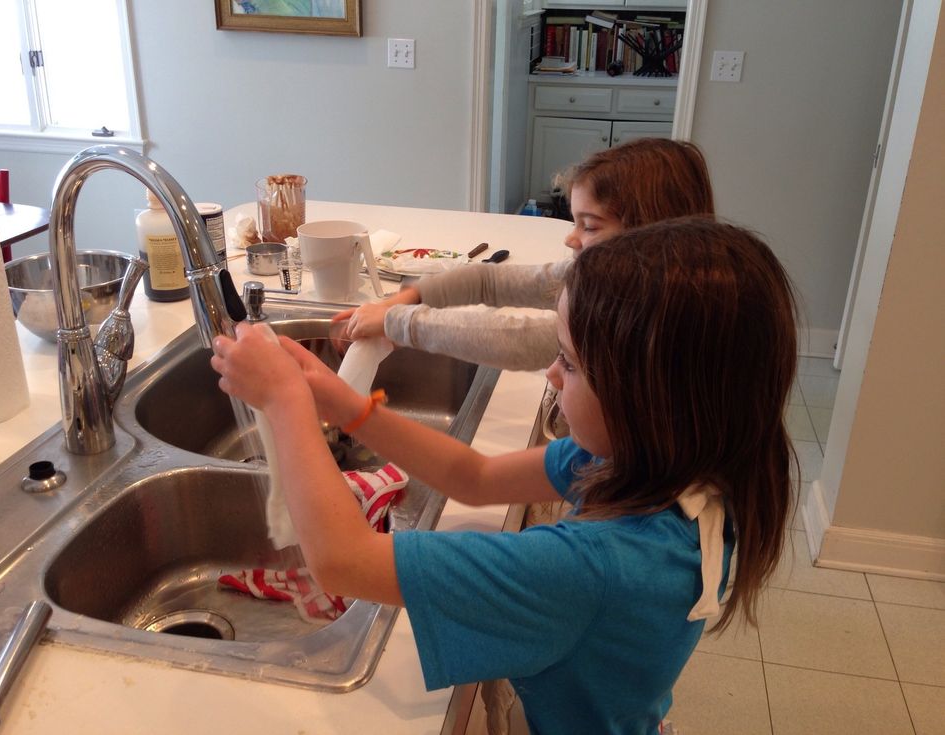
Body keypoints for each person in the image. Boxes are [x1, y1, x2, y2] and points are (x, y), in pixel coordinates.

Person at [209, 217, 798, 734]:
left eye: (570, 362)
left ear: (650, 400)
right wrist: (347, 407)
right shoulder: (663, 469)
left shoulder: (590, 569)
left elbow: (346, 562)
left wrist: (286, 403)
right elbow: (476, 477)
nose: (550, 374)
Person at [333, 138, 715, 370]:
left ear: (647, 236)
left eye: (590, 226)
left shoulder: (633, 315)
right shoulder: (600, 278)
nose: (571, 239)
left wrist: (399, 324)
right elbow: (488, 280)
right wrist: (402, 300)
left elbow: (517, 339)